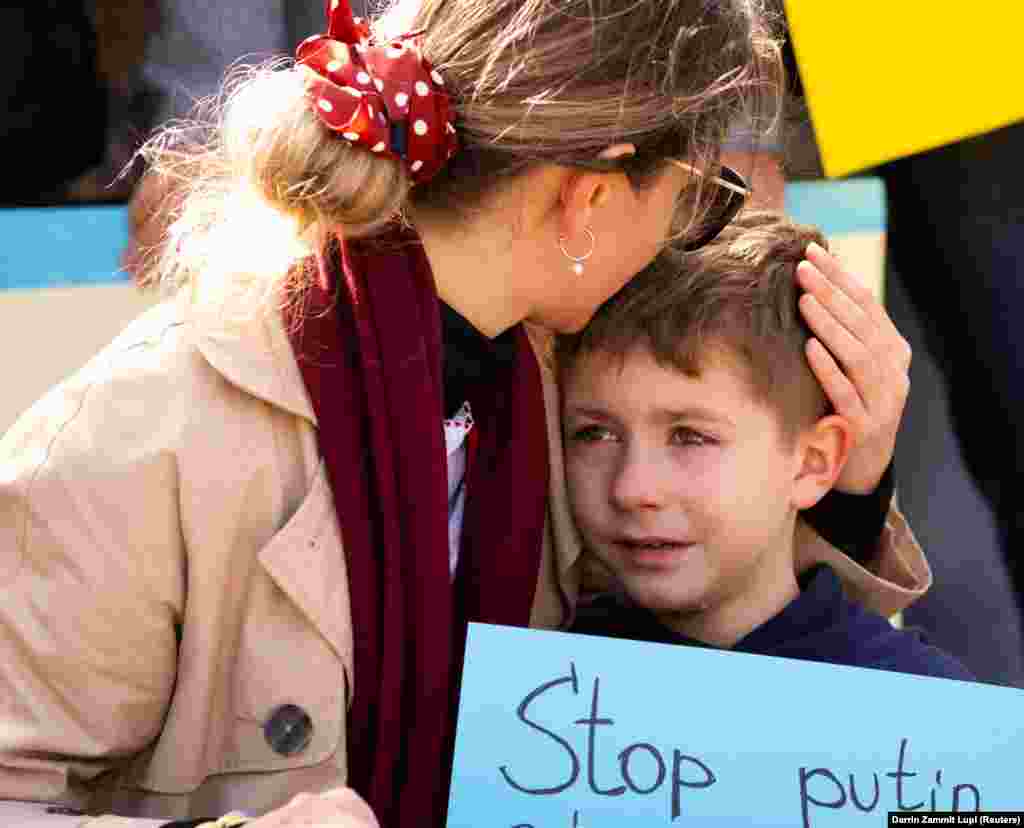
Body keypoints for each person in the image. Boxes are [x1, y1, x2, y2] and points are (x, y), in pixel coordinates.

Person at [0, 1, 923, 827]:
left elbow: (712, 668)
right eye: (694, 203)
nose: (689, 242)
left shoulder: (566, 387)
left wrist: (846, 491)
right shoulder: (143, 435)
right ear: (589, 199)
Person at [562, 211, 970, 681]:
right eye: (595, 434)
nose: (632, 488)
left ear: (812, 463)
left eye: (691, 436)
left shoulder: (926, 711)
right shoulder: (526, 681)